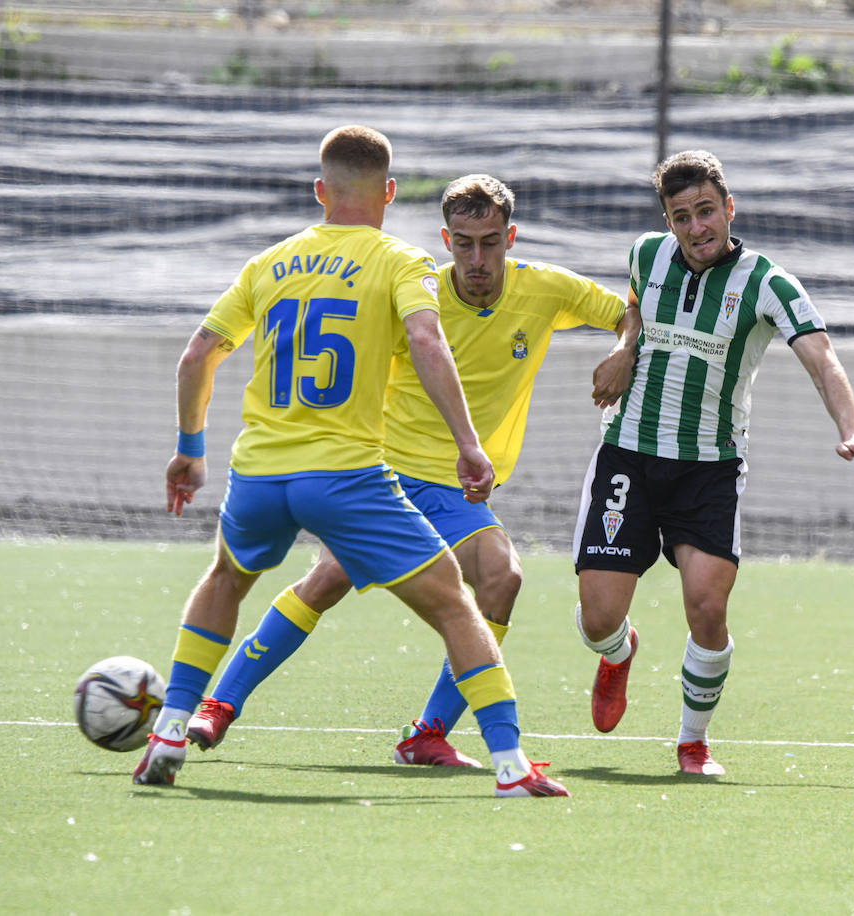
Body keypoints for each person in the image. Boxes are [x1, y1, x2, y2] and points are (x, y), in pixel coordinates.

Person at [133, 130, 568, 798]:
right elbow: (425, 338)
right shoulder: (401, 260)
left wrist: (190, 450)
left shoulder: (268, 263)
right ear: (389, 193)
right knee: (455, 603)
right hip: (345, 477)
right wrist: (469, 443)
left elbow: (196, 355)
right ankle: (510, 766)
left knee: (225, 578)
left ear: (319, 192)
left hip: (259, 474)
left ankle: (169, 730)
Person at [180, 173, 640, 767]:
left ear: (511, 237)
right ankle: (219, 704)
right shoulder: (412, 285)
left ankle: (428, 735)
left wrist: (623, 349)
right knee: (325, 584)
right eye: (465, 243)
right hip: (385, 475)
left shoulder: (546, 289)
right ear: (446, 240)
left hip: (457, 487)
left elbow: (627, 310)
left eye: (492, 242)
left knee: (502, 578)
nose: (479, 258)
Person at [572, 150, 854, 776]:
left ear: (729, 208)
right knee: (597, 619)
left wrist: (852, 430)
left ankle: (693, 742)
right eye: (681, 216)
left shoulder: (769, 281)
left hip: (709, 466)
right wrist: (626, 346)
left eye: (706, 212)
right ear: (667, 220)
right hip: (627, 456)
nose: (696, 229)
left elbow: (822, 359)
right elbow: (634, 302)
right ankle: (618, 653)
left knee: (707, 607)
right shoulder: (645, 254)